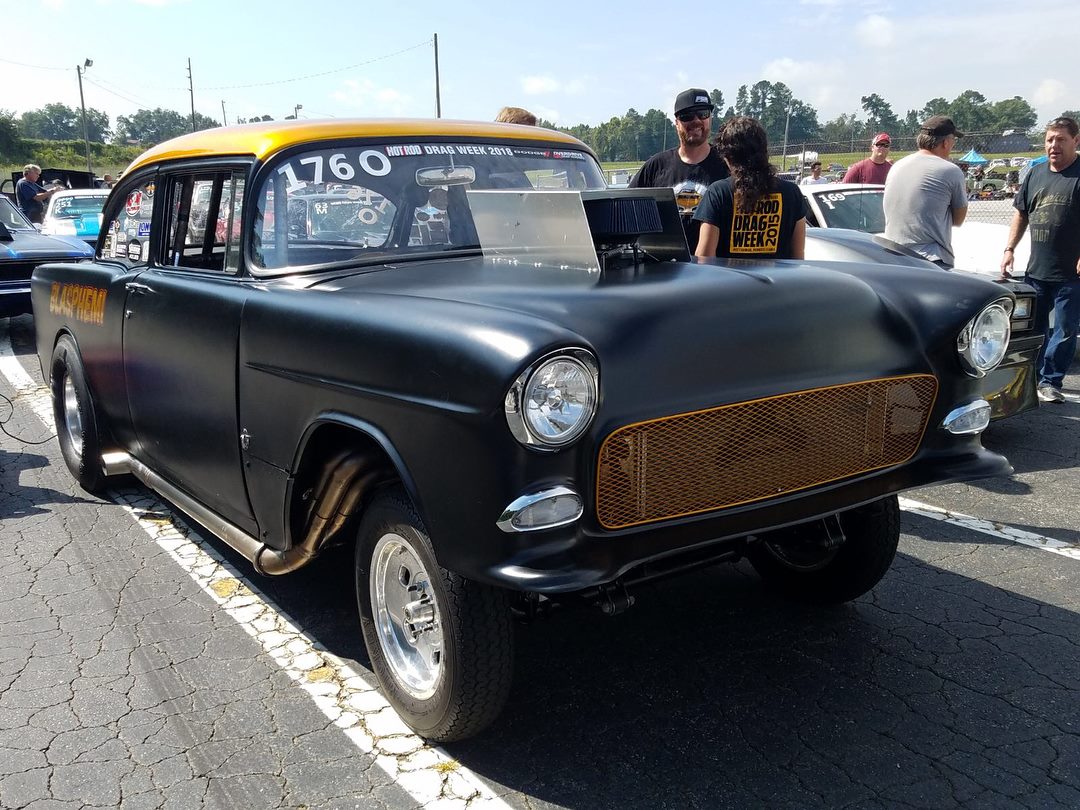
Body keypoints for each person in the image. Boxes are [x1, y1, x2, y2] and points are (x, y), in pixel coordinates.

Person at [1000, 116, 1080, 404]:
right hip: (1037, 270)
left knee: (1065, 329)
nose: (1053, 145)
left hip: (1072, 274)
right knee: (1033, 328)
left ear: (1076, 141)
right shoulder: (1035, 174)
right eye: (1049, 140)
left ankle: (1050, 381)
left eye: (1061, 140)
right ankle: (1029, 378)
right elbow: (1021, 213)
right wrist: (1009, 249)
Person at [629, 88, 730, 250]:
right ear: (676, 122)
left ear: (710, 118)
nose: (696, 121)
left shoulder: (728, 164)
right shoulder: (655, 166)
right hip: (665, 262)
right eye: (687, 116)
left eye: (702, 114)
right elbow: (627, 208)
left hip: (715, 264)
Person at [693, 116, 806, 260]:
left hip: (729, 275)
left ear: (727, 156)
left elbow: (704, 257)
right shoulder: (792, 193)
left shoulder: (718, 192)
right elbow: (798, 257)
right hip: (778, 276)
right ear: (764, 149)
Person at [882, 116, 968, 267]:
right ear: (945, 142)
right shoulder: (951, 171)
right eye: (953, 139)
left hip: (893, 256)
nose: (953, 144)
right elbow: (958, 219)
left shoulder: (897, 166)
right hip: (931, 258)